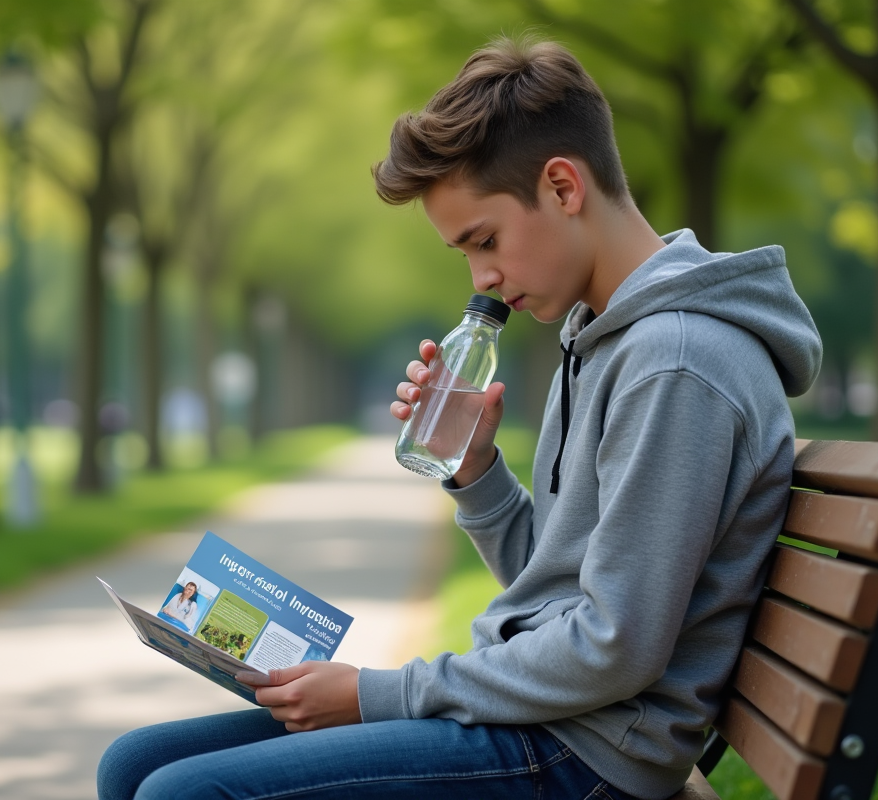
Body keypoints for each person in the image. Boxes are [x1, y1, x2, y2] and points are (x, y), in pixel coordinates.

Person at [97, 37, 822, 800]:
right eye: (465, 254)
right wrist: (477, 474)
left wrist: (378, 694)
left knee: (181, 793)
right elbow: (560, 589)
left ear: (563, 186)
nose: (483, 278)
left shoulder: (675, 362)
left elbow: (616, 647)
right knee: (133, 764)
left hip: (588, 754)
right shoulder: (607, 337)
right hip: (548, 719)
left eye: (485, 241)